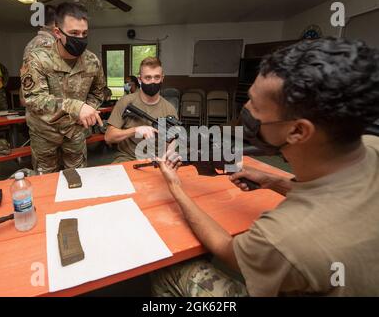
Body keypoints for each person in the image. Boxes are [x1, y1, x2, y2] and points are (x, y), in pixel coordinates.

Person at [152, 38, 379, 297]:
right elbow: (334, 198)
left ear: (297, 130)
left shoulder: (284, 238)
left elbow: (227, 249)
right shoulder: (372, 145)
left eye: (256, 107)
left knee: (170, 271)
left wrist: (175, 186)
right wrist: (275, 181)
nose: (245, 110)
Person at [20, 2, 105, 173]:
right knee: (46, 182)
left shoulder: (92, 61)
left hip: (75, 132)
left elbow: (98, 92)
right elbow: (34, 99)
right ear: (57, 32)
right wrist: (76, 107)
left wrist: (87, 111)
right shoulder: (37, 59)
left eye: (84, 33)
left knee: (78, 179)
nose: (80, 38)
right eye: (74, 33)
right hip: (45, 134)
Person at [105, 57, 177, 163]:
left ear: (162, 78)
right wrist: (135, 130)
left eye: (156, 77)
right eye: (148, 78)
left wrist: (169, 153)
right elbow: (109, 137)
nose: (153, 81)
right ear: (140, 79)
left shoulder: (169, 109)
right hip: (127, 158)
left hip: (156, 161)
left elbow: (171, 140)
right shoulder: (126, 101)